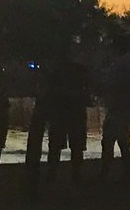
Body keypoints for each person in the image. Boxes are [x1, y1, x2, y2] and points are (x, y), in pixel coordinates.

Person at [25, 44, 91, 189]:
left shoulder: (56, 72)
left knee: (57, 146)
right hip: (71, 112)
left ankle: (53, 173)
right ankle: (73, 174)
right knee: (73, 146)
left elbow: (49, 91)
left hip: (61, 112)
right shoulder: (79, 70)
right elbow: (88, 90)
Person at [98, 46, 130, 181]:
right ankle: (125, 173)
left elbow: (114, 85)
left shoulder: (120, 65)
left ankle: (106, 172)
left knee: (109, 140)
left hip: (118, 107)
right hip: (127, 107)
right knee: (123, 140)